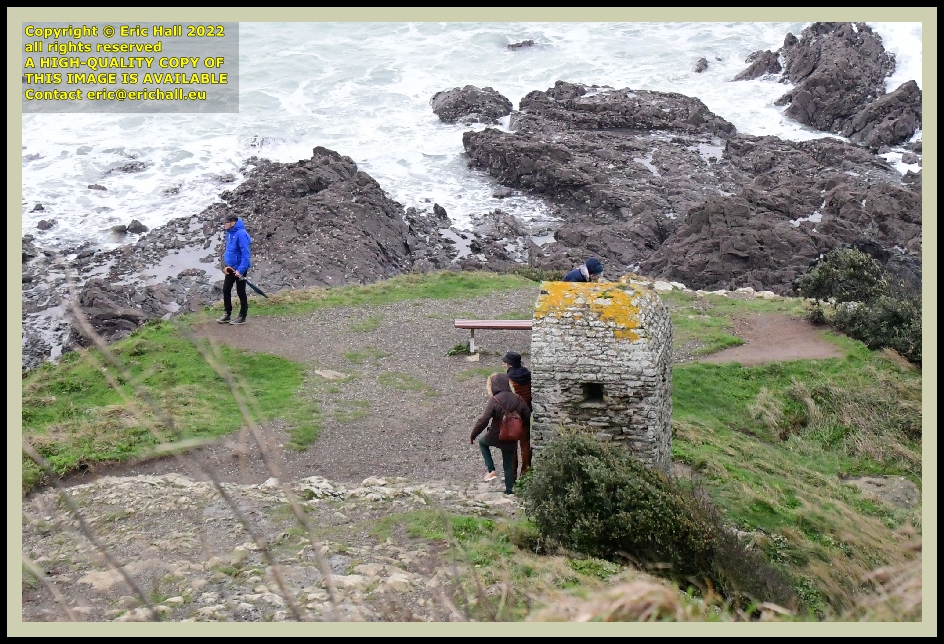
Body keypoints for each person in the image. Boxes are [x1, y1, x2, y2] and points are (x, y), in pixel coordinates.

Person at [470, 373, 531, 495]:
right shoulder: (518, 399)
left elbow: (484, 420)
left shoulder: (495, 399)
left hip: (496, 435)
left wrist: (473, 435)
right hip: (512, 436)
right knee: (508, 464)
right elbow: (527, 416)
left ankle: (491, 469)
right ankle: (509, 491)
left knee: (483, 443)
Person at [502, 351, 533, 478]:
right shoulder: (528, 375)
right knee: (525, 444)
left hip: (513, 416)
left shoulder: (508, 380)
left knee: (512, 445)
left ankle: (512, 474)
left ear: (509, 365)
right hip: (526, 413)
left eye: (506, 362)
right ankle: (525, 473)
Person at [218, 214, 253, 325]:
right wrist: (226, 264)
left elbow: (246, 254)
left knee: (240, 292)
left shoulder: (241, 234)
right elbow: (229, 250)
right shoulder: (229, 233)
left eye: (226, 222)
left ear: (232, 222)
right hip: (230, 268)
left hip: (239, 269)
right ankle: (227, 314)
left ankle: (242, 316)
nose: (224, 224)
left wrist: (241, 270)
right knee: (226, 289)